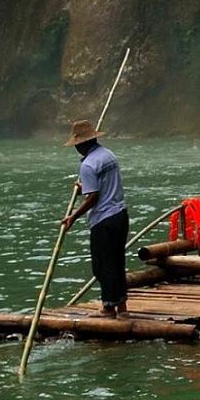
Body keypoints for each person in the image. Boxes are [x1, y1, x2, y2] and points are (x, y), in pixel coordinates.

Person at [60, 119, 128, 318]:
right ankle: (122, 306)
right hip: (120, 215)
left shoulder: (88, 165)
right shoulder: (109, 155)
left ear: (82, 144)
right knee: (117, 262)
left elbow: (94, 197)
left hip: (104, 220)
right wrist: (86, 188)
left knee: (102, 266)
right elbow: (102, 187)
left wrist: (73, 216)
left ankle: (108, 307)